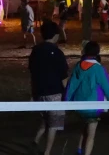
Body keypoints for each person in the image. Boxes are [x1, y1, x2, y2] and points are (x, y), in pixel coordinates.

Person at [65, 41, 109, 155]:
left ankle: (79, 150)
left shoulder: (79, 65)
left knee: (84, 127)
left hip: (79, 105)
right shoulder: (98, 68)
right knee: (91, 135)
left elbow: (71, 85)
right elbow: (106, 86)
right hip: (94, 106)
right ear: (97, 53)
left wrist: (66, 101)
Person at [29, 21, 69, 155]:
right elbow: (64, 77)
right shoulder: (57, 53)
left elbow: (32, 72)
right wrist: (68, 95)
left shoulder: (35, 51)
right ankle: (47, 152)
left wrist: (33, 92)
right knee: (53, 125)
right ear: (56, 35)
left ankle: (35, 140)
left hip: (39, 92)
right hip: (55, 93)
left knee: (45, 118)